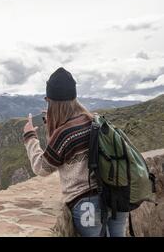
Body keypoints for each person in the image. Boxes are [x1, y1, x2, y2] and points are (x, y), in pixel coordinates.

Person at [22, 67, 128, 237]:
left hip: (87, 205)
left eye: (47, 101)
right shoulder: (95, 120)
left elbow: (41, 168)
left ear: (51, 101)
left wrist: (30, 137)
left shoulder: (64, 134)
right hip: (117, 196)